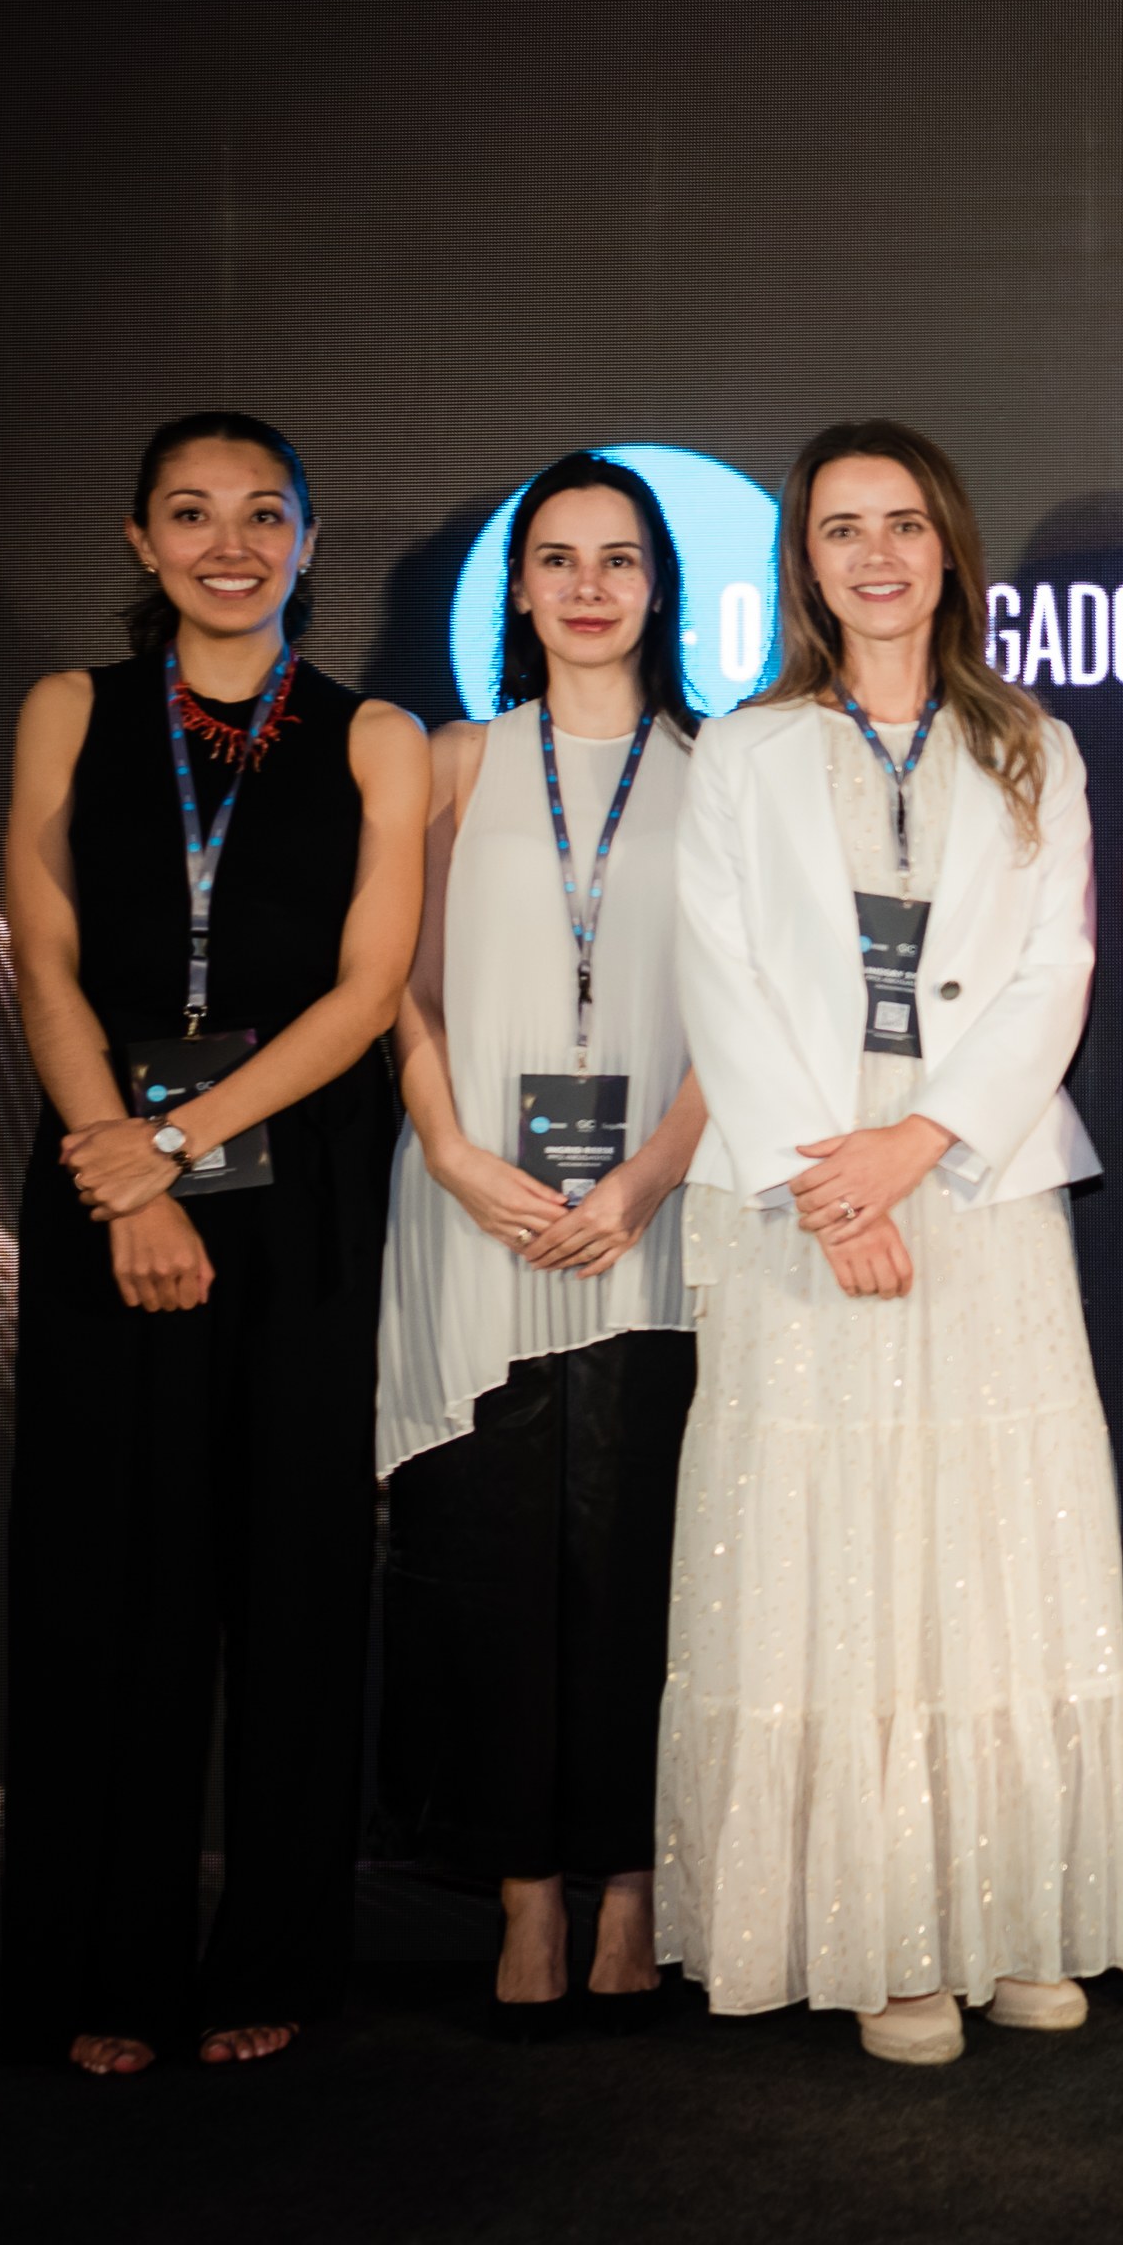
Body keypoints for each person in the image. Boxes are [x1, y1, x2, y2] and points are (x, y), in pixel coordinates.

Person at [657, 419, 1123, 2065]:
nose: (877, 555)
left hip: (976, 1185)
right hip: (800, 1197)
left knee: (994, 1546)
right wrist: (832, 1183)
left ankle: (1005, 1919)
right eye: (843, 528)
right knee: (835, 1555)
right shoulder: (746, 750)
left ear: (950, 548)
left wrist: (915, 1148)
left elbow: (1057, 973)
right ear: (804, 560)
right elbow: (719, 971)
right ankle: (885, 1941)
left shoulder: (1032, 746)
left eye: (905, 523)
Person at [2, 411, 428, 2074]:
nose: (229, 544)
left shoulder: (376, 735)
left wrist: (176, 1142)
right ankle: (104, 1970)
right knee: (108, 1577)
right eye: (191, 514)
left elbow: (368, 993)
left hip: (296, 1188)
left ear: (307, 542)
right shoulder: (72, 708)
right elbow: (44, 952)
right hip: (99, 1178)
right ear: (141, 541)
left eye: (263, 514)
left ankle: (274, 1957)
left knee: (295, 1579)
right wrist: (126, 1176)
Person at [373, 452, 709, 2032]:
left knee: (640, 1550)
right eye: (558, 558)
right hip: (473, 1202)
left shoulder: (718, 772)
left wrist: (648, 1177)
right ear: (516, 588)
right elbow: (397, 981)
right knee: (489, 1549)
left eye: (618, 558)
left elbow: (746, 1016)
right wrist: (450, 1151)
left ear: (660, 585)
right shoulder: (454, 760)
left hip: (657, 1206)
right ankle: (521, 1890)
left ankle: (632, 1885)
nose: (588, 586)